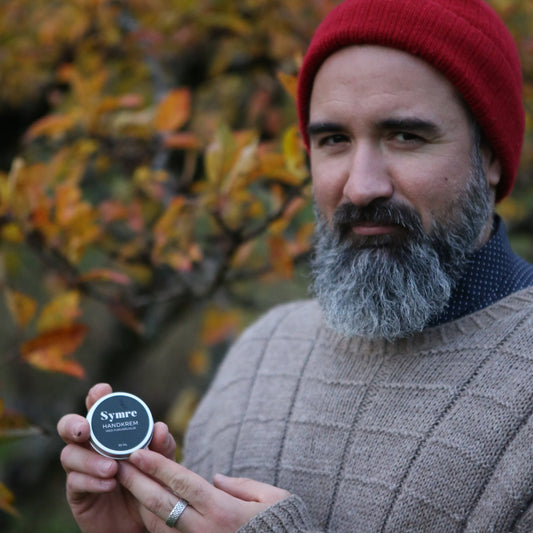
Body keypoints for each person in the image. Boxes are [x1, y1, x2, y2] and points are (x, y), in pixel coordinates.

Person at [58, 0, 533, 531]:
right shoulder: (261, 352)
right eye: (334, 140)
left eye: (406, 136)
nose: (361, 186)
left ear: (491, 157)